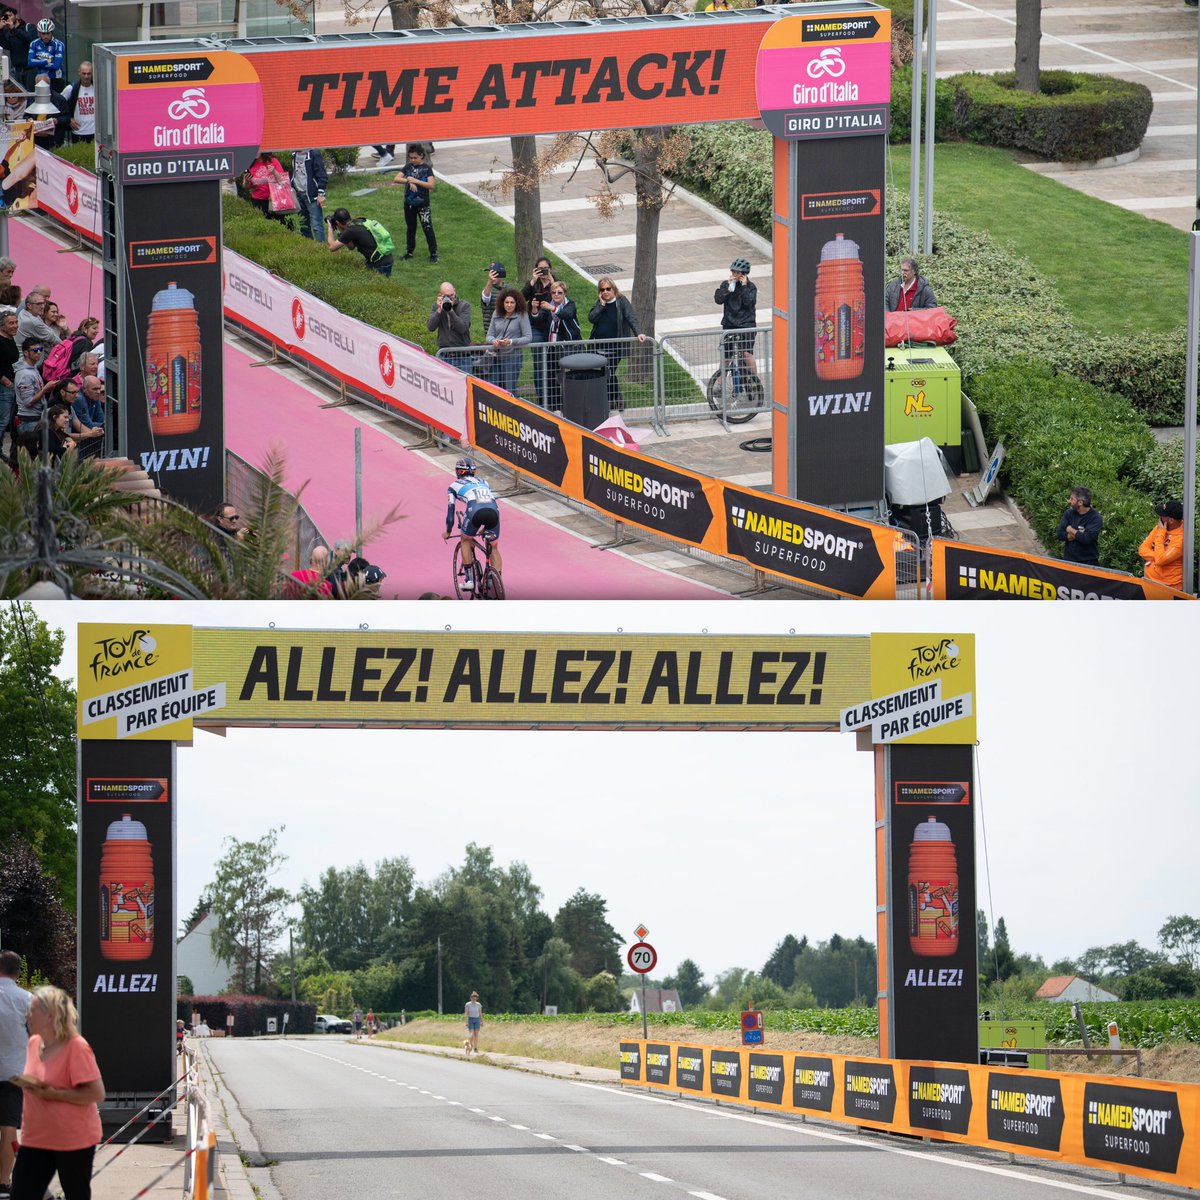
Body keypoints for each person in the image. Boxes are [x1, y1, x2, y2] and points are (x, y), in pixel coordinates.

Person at [10, 986, 105, 1200]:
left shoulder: (76, 1047)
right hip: (35, 1138)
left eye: (32, 1010)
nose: (28, 1015)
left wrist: (55, 1095)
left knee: (75, 1194)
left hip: (72, 1139)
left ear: (49, 1016)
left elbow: (97, 1093)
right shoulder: (34, 1043)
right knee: (21, 1194)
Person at [443, 457, 502, 591]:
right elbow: (486, 502)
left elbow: (451, 511)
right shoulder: (484, 482)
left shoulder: (453, 486)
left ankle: (469, 580)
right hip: (494, 512)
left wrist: (448, 531)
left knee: (465, 539)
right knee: (494, 547)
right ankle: (497, 580)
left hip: (474, 511)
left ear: (458, 471)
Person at [588, 276, 646, 412]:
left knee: (608, 372)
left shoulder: (621, 301)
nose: (605, 292)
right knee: (606, 373)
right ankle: (617, 399)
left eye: (608, 289)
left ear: (614, 289)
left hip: (615, 348)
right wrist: (601, 306)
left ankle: (610, 401)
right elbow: (591, 318)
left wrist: (639, 332)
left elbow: (631, 317)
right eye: (602, 290)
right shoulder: (600, 303)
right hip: (599, 347)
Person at [0, 951, 31, 1200]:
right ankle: (3, 1182)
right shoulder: (26, 999)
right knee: (9, 1128)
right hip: (13, 1073)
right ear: (19, 973)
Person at [392, 144, 437, 263]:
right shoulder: (408, 167)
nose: (412, 160)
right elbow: (396, 178)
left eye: (415, 158)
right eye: (410, 158)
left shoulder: (427, 169)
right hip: (409, 204)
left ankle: (433, 253)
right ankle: (409, 252)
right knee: (411, 228)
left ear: (421, 156)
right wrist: (408, 180)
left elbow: (431, 185)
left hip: (423, 205)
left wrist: (416, 181)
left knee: (427, 227)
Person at [715, 256, 758, 376]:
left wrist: (744, 287)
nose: (734, 274)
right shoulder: (726, 285)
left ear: (744, 274)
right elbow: (718, 300)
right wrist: (729, 288)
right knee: (726, 357)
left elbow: (748, 303)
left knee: (746, 354)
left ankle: (755, 382)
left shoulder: (750, 287)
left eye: (737, 272)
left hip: (746, 325)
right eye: (733, 271)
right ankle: (719, 384)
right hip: (729, 325)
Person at [542, 280, 581, 411]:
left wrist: (552, 308)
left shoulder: (570, 305)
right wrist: (535, 309)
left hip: (568, 347)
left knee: (569, 377)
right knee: (551, 377)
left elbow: (566, 314)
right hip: (552, 346)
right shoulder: (548, 306)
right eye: (553, 292)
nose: (556, 295)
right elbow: (538, 320)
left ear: (565, 293)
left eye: (560, 292)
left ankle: (572, 405)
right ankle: (555, 407)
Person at [484, 288, 531, 394]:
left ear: (516, 303)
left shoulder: (521, 315)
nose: (509, 305)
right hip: (495, 357)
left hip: (512, 358)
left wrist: (510, 341)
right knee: (494, 389)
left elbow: (528, 337)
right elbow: (489, 335)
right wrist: (494, 341)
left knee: (509, 390)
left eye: (512, 302)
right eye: (506, 302)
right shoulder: (496, 314)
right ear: (502, 303)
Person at [523, 256, 556, 403]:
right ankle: (542, 397)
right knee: (538, 362)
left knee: (552, 361)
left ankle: (553, 396)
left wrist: (552, 283)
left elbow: (563, 299)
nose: (543, 271)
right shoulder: (533, 284)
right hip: (535, 326)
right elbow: (521, 297)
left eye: (545, 268)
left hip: (551, 327)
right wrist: (532, 281)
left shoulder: (555, 283)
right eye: (540, 268)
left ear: (550, 269)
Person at [326, 208, 394, 277]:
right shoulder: (359, 222)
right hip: (385, 258)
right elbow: (351, 246)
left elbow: (332, 247)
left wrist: (330, 228)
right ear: (350, 217)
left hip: (380, 264)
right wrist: (340, 230)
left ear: (337, 222)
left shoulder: (350, 231)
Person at [1138, 499, 1185, 589]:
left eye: (1162, 516)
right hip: (1149, 581)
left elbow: (1161, 560)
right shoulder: (1160, 527)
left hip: (1168, 588)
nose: (1159, 518)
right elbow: (1142, 549)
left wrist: (1161, 533)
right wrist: (1158, 556)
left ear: (1171, 520)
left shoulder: (1181, 538)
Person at [427, 281, 472, 369]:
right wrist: (439, 310)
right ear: (441, 295)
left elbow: (463, 328)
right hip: (444, 356)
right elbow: (430, 327)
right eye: (447, 296)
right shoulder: (436, 306)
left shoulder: (464, 306)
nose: (450, 298)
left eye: (452, 295)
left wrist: (451, 311)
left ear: (454, 291)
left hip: (462, 357)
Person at [1054, 486, 1102, 566]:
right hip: (1068, 562)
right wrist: (1080, 533)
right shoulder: (1069, 513)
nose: (1069, 501)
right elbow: (1060, 534)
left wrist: (1069, 529)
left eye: (1072, 499)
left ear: (1080, 502)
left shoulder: (1095, 518)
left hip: (1088, 564)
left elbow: (1087, 539)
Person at [288, 148, 327, 243]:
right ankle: (309, 247)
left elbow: (322, 175)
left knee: (316, 225)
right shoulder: (294, 153)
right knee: (303, 224)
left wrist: (320, 194)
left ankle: (321, 250)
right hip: (299, 194)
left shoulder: (314, 153)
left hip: (312, 196)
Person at [242, 152, 290, 226]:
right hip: (258, 201)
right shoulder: (249, 165)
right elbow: (246, 186)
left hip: (275, 199)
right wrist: (247, 180)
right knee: (263, 226)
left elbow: (282, 180)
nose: (256, 152)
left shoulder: (272, 161)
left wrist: (274, 171)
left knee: (280, 225)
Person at [58, 61, 94, 143]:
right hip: (78, 132)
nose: (86, 76)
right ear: (79, 73)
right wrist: (69, 119)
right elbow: (58, 104)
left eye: (89, 74)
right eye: (84, 73)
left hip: (95, 132)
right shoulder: (71, 88)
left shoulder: (97, 88)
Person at [25, 20, 64, 92]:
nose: (46, 36)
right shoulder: (34, 43)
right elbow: (30, 62)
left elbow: (56, 65)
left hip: (55, 79)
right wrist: (46, 61)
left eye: (48, 33)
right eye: (43, 34)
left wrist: (37, 62)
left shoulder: (59, 44)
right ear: (39, 33)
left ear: (52, 32)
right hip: (39, 79)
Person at [0, 309, 18, 460]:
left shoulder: (10, 338)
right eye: (11, 323)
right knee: (3, 420)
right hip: (4, 386)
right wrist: (5, 381)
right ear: (2, 326)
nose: (15, 326)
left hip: (10, 385)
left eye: (16, 322)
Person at [480, 261, 506, 337]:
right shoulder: (487, 290)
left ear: (501, 274)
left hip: (508, 334)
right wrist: (490, 282)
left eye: (494, 273)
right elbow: (485, 298)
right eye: (490, 273)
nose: (492, 276)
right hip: (492, 336)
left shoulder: (509, 289)